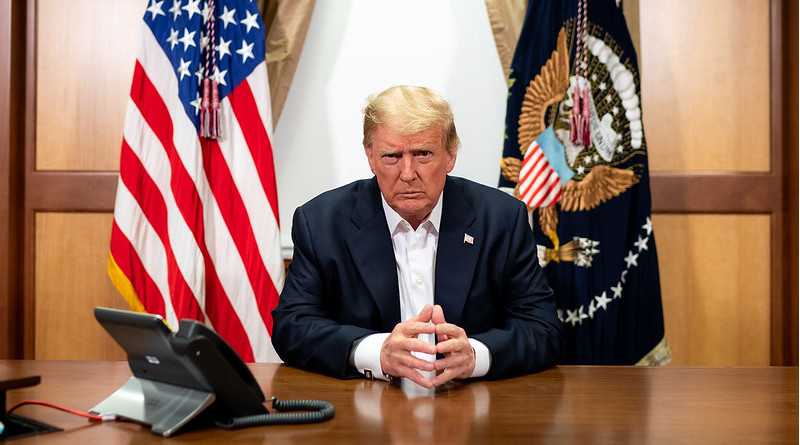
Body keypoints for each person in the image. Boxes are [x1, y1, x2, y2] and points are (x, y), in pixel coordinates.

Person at [271, 85, 563, 388]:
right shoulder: (321, 222)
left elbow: (543, 329)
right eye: (391, 156)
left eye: (423, 154)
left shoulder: (501, 219)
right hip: (367, 412)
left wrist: (475, 355)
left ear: (450, 155)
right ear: (370, 157)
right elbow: (292, 327)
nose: (408, 173)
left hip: (470, 411)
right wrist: (377, 352)